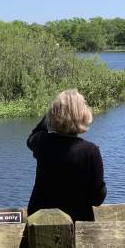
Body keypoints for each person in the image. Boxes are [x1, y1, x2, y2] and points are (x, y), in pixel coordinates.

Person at [27, 89, 107, 221]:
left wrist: (51, 114)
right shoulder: (91, 151)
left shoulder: (41, 142)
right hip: (78, 225)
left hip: (40, 221)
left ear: (53, 115)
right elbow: (97, 199)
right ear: (83, 115)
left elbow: (32, 137)